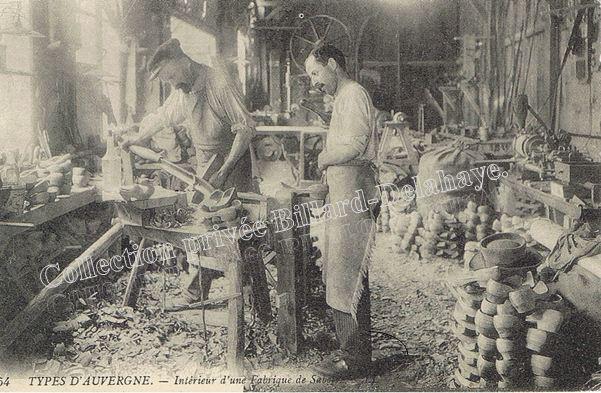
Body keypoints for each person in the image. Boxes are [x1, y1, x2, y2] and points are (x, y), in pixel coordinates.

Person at [122, 38, 256, 303]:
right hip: (206, 162)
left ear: (183, 61)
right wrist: (137, 138)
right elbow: (163, 116)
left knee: (237, 229)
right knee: (203, 224)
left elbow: (246, 128)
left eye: (171, 75)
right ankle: (196, 292)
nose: (172, 83)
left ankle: (250, 296)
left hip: (233, 161)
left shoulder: (218, 82)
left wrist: (225, 169)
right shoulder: (183, 91)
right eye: (166, 80)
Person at [304, 44, 380, 379]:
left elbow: (355, 145)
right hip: (345, 191)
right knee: (341, 271)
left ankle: (355, 359)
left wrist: (323, 157)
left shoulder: (353, 94)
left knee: (346, 272)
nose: (314, 82)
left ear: (333, 64)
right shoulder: (344, 97)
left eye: (316, 73)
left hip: (353, 192)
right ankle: (352, 350)